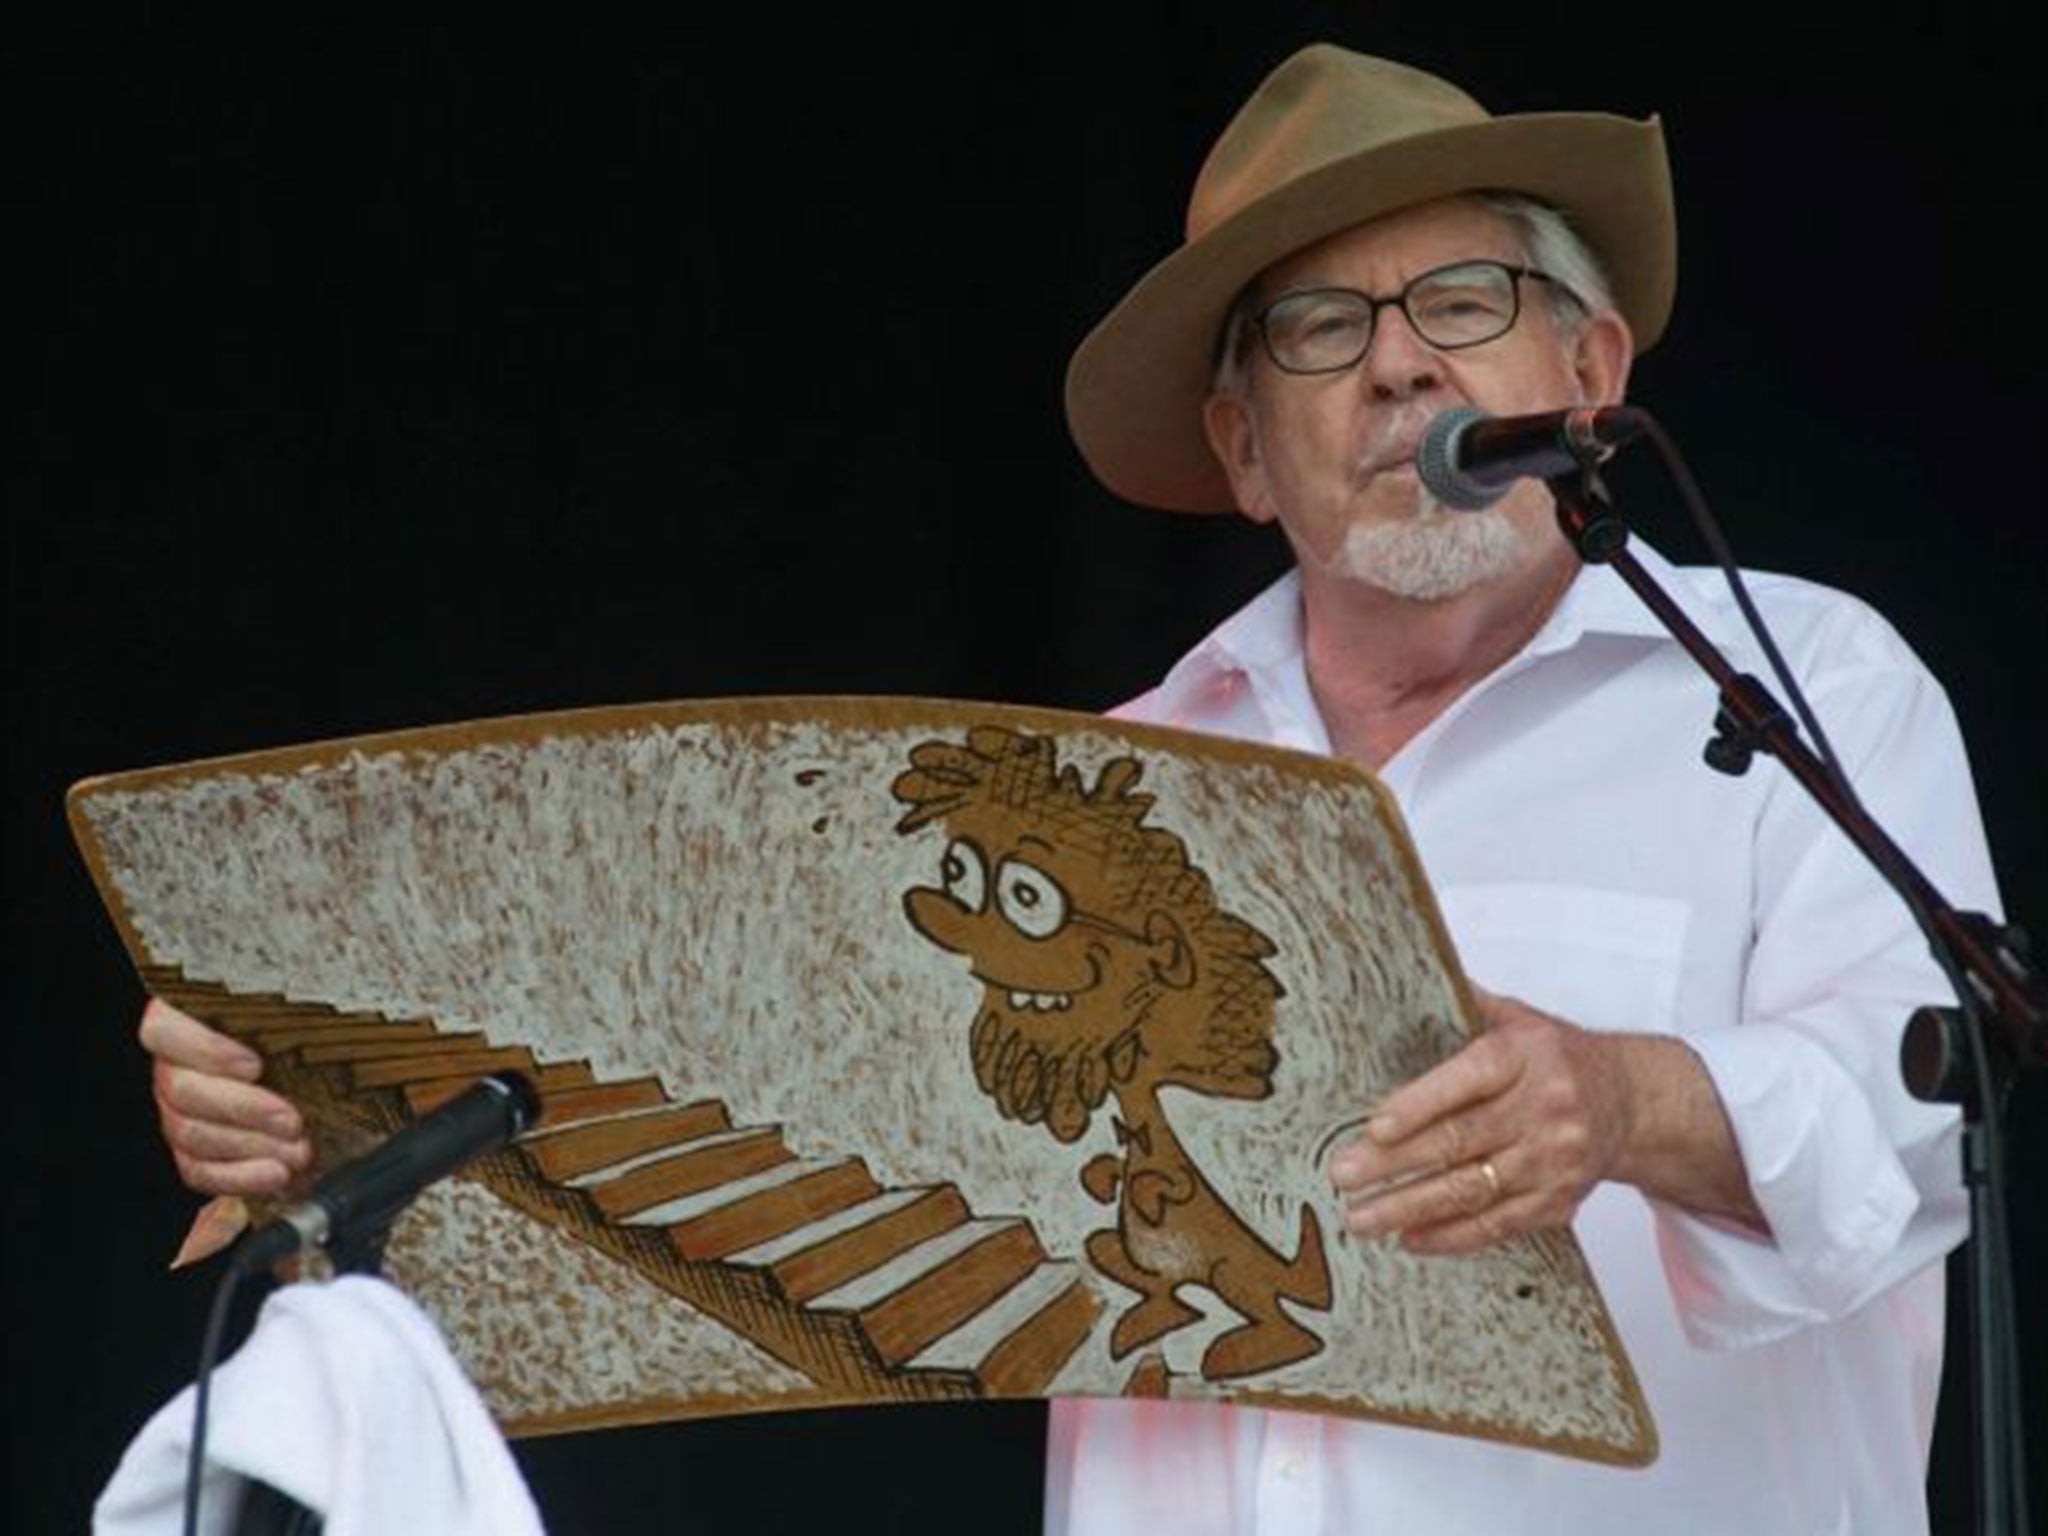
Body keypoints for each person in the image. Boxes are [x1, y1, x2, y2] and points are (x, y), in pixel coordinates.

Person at [141, 43, 2001, 1536]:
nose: (1402, 362)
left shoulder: (1803, 688)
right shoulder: (1097, 797)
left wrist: (1620, 1099)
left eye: (1465, 294)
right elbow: (769, 1135)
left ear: (1588, 370)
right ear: (1244, 452)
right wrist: (336, 1141)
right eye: (1318, 331)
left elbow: (1927, 1120)